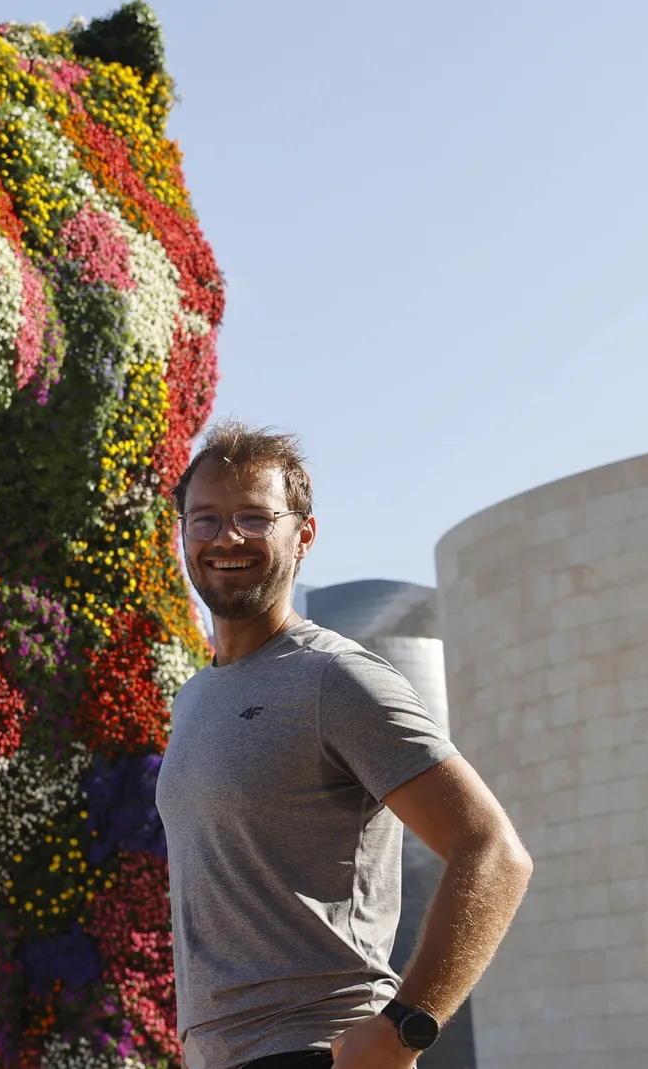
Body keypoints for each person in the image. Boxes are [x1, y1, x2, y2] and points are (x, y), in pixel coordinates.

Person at [155, 422, 533, 1069]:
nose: (228, 537)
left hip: (318, 1047)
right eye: (206, 519)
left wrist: (403, 1027)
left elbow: (494, 851)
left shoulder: (336, 677)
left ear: (303, 535)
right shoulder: (193, 697)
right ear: (182, 533)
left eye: (255, 516)